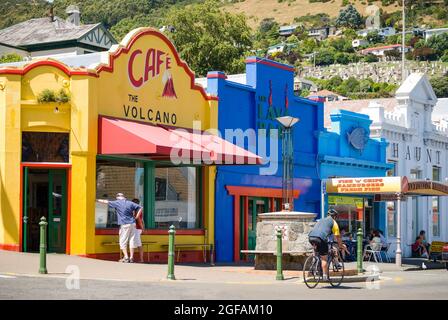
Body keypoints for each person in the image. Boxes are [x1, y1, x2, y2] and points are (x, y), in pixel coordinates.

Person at [97, 193, 142, 263]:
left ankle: (126, 257)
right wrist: (136, 217)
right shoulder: (129, 203)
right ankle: (131, 257)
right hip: (133, 224)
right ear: (124, 197)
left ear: (117, 197)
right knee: (132, 240)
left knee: (122, 241)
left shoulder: (117, 203)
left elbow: (106, 202)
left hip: (124, 224)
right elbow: (140, 208)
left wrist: (97, 200)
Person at [308, 209, 343, 279]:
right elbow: (338, 237)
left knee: (317, 252)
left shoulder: (320, 220)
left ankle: (314, 263)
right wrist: (340, 245)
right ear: (335, 217)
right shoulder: (334, 223)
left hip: (311, 237)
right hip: (320, 238)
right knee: (324, 258)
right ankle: (324, 275)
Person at [132, 198, 145, 263]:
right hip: (137, 228)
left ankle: (141, 259)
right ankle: (136, 258)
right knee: (135, 243)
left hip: (137, 228)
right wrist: (143, 228)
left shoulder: (136, 210)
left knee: (138, 244)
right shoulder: (138, 209)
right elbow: (142, 220)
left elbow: (139, 220)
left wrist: (142, 228)